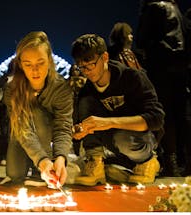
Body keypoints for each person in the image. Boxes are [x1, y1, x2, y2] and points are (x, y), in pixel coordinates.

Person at [70, 34, 165, 185]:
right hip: (110, 144)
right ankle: (96, 165)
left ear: (105, 57)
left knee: (122, 138)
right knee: (86, 105)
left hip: (139, 140)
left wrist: (109, 122)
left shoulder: (132, 77)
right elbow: (83, 125)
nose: (86, 72)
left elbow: (156, 119)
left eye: (91, 65)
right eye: (81, 67)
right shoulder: (86, 90)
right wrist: (78, 131)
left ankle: (147, 162)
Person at [0, 31, 73, 187]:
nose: (35, 70)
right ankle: (38, 163)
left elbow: (63, 126)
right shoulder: (12, 89)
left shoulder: (61, 89)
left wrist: (60, 158)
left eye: (40, 63)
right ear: (21, 64)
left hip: (45, 136)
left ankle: (39, 170)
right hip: (21, 135)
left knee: (39, 114)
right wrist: (41, 160)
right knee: (14, 174)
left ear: (49, 60)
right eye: (28, 64)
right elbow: (23, 129)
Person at [136, 0, 188, 176]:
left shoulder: (153, 8)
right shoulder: (176, 8)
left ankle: (170, 161)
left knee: (164, 116)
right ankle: (186, 161)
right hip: (181, 67)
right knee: (182, 115)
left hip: (161, 66)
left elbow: (143, 39)